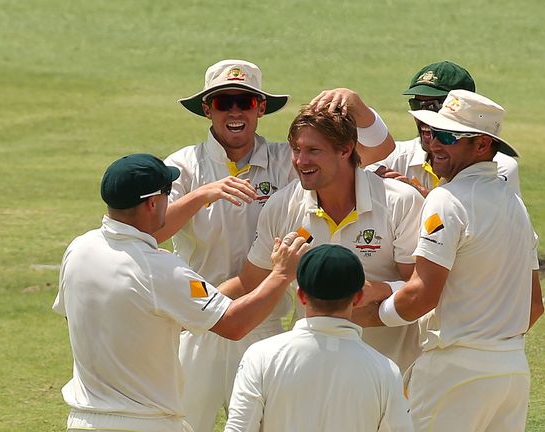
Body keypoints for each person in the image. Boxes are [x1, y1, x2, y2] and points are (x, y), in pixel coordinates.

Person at [152, 60, 396, 432]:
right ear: (207, 109)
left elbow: (377, 150)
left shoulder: (289, 158)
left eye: (245, 102)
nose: (235, 111)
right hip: (199, 319)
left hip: (263, 320)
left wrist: (359, 107)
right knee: (184, 424)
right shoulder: (184, 166)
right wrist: (202, 194)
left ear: (260, 108)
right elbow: (150, 230)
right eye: (223, 102)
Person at [52, 154, 309, 432]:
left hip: (82, 421)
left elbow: (75, 317)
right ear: (152, 203)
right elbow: (234, 324)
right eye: (167, 193)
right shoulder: (160, 270)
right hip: (145, 423)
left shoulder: (78, 248)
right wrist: (281, 274)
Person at [359, 90, 545, 432]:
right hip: (511, 371)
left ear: (482, 146)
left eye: (449, 137)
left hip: (453, 372)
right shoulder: (515, 205)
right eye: (433, 134)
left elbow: (422, 295)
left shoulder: (446, 199)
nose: (435, 145)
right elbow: (534, 306)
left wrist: (370, 316)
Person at [219, 102, 424, 373]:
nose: (301, 161)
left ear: (346, 149)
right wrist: (188, 308)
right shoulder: (282, 205)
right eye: (296, 150)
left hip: (389, 369)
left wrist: (376, 294)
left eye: (313, 151)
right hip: (312, 371)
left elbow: (419, 289)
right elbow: (248, 282)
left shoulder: (400, 202)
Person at [224, 244, 414, 432]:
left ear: (301, 296)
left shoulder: (261, 356)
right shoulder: (386, 371)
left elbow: (239, 428)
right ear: (358, 298)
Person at [368, 61, 521, 196]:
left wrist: (415, 196)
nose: (423, 116)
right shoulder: (395, 155)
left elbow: (482, 216)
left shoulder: (499, 167)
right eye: (417, 106)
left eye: (434, 106)